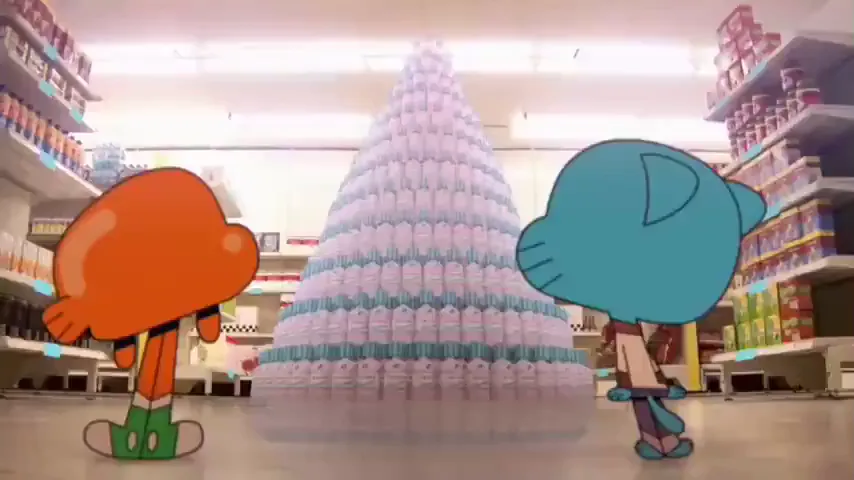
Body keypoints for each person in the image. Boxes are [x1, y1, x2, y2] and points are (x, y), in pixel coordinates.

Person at [516, 139, 766, 460]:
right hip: (639, 371)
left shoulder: (627, 314)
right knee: (644, 397)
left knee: (645, 396)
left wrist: (643, 378)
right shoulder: (626, 319)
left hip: (640, 372)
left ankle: (660, 439)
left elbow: (633, 357)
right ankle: (661, 439)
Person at [43, 167, 259, 460]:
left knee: (161, 363)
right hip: (136, 310)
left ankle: (153, 430)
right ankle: (146, 431)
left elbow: (204, 299)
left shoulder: (188, 271)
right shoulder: (149, 272)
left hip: (151, 314)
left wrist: (123, 339)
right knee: (157, 363)